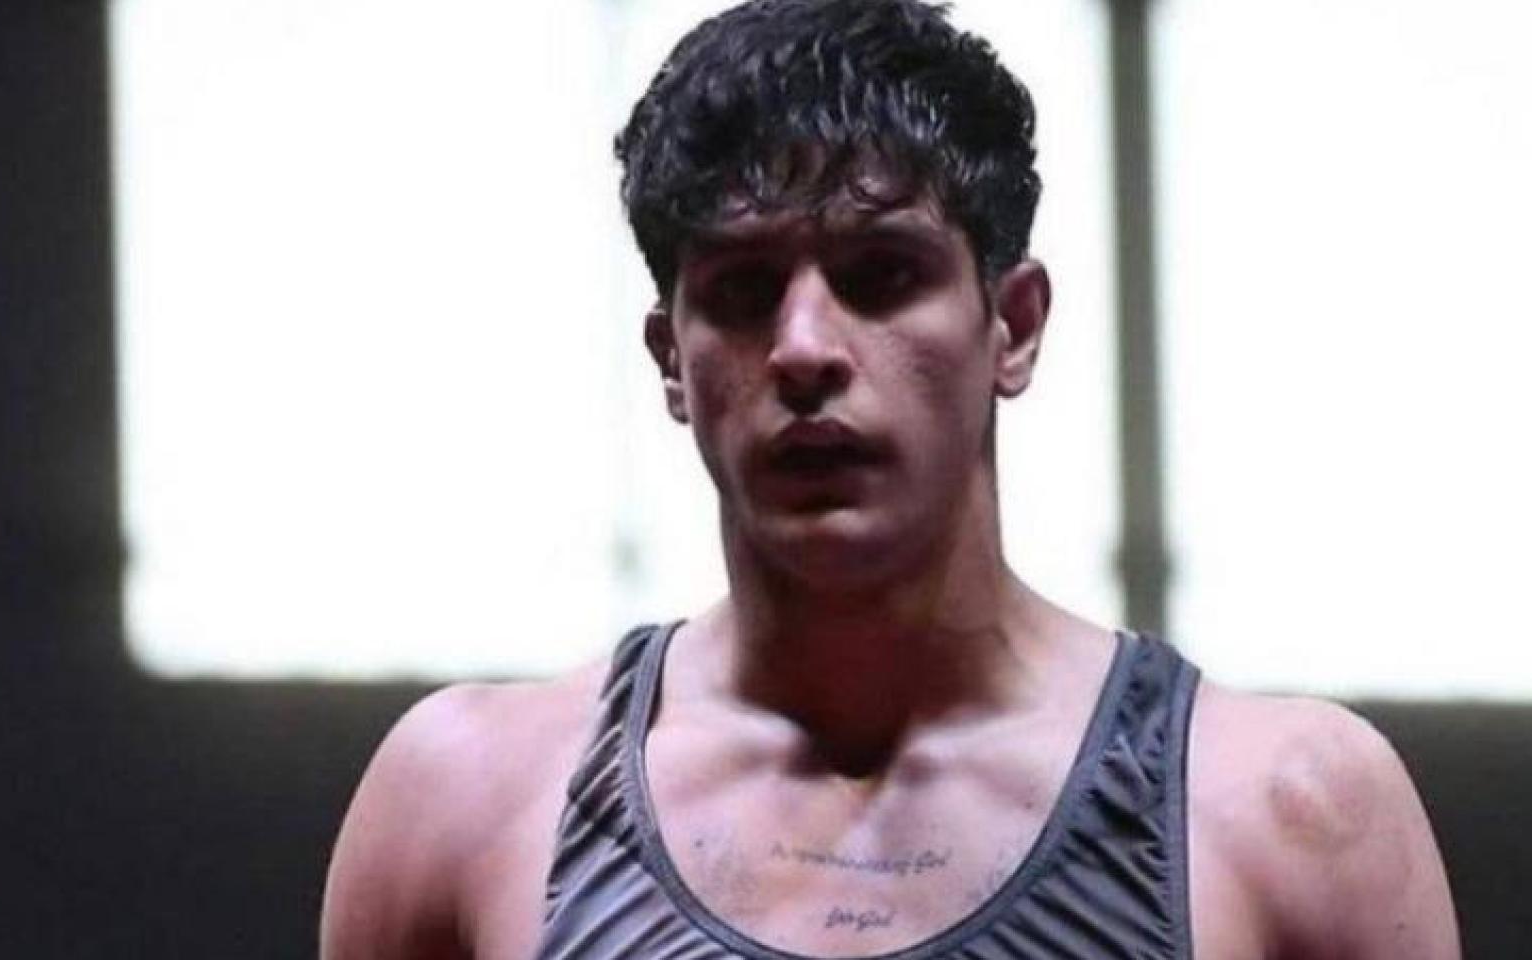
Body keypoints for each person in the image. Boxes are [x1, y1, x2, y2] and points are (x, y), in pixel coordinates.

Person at [320, 1, 1461, 956]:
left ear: (1012, 326)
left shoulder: (1290, 813)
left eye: (880, 275)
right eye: (742, 290)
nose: (804, 348)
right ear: (671, 360)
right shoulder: (463, 802)